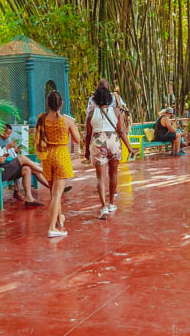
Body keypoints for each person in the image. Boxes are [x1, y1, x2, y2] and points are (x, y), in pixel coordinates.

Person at [84, 85, 133, 219]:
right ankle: (111, 203)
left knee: (101, 177)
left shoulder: (90, 114)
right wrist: (129, 147)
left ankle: (103, 207)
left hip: (98, 143)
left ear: (95, 99)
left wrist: (86, 151)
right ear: (110, 99)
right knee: (113, 174)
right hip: (114, 143)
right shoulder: (116, 112)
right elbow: (122, 131)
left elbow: (88, 135)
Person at [36, 91, 81, 238]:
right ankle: (52, 228)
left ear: (48, 104)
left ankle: (59, 219)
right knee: (57, 194)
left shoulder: (42, 119)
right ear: (61, 104)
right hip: (61, 156)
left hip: (47, 157)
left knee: (53, 193)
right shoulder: (67, 121)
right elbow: (78, 140)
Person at [0, 123, 49, 200]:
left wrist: (15, 151)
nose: (8, 135)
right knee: (23, 160)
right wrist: (8, 147)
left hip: (7, 163)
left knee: (28, 168)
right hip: (1, 168)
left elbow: (5, 153)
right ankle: (42, 169)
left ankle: (49, 187)